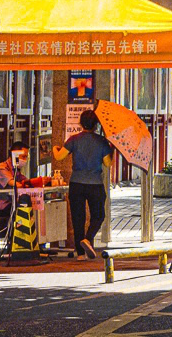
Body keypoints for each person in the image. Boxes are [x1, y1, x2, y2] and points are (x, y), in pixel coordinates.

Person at [52, 109, 113, 259]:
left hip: (76, 184)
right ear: (96, 124)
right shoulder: (102, 141)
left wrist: (55, 148)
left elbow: (59, 157)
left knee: (77, 217)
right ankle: (88, 238)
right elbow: (107, 163)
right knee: (98, 215)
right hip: (95, 184)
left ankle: (80, 253)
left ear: (80, 123)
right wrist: (110, 150)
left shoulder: (74, 139)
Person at [0, 145, 29, 218]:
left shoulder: (15, 169)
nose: (25, 160)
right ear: (14, 155)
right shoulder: (2, 168)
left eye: (26, 157)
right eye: (23, 157)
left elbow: (25, 181)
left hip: (9, 203)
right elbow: (14, 184)